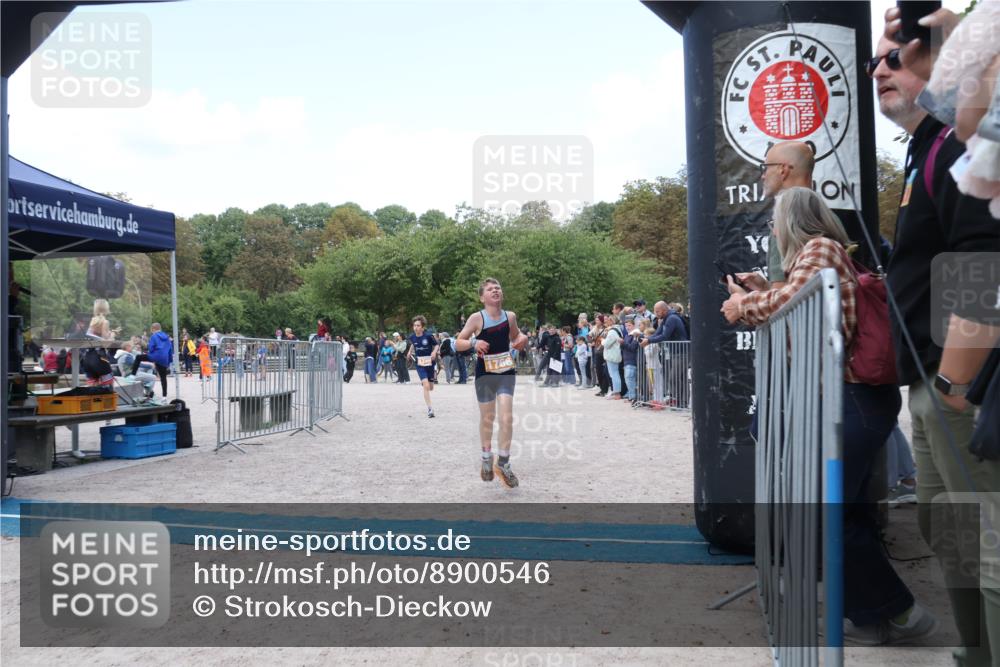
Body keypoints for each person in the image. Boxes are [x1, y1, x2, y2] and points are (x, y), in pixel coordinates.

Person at [721, 186, 936, 645]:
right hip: (853, 397)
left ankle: (897, 612)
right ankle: (873, 616)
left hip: (852, 397)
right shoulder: (821, 254)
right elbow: (803, 303)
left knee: (824, 508)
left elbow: (792, 307)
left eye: (776, 221)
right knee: (842, 511)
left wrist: (744, 305)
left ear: (793, 221)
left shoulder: (819, 249)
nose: (773, 230)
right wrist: (767, 290)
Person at [872, 25, 1000, 659]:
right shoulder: (928, 145)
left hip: (958, 385)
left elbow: (984, 257)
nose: (879, 70)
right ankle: (973, 652)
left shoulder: (962, 141)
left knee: (989, 547)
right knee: (946, 529)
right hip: (930, 382)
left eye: (895, 56)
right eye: (874, 62)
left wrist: (953, 383)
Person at [455, 278, 529, 488]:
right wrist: (473, 342)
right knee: (488, 417)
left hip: (506, 370)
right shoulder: (476, 318)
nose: (495, 290)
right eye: (490, 289)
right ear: (482, 297)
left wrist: (522, 340)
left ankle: (503, 463)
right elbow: (458, 343)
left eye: (498, 287)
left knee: (506, 417)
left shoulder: (510, 316)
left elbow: (517, 337)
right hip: (485, 372)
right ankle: (486, 458)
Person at [758, 141, 816, 287]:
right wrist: (763, 287)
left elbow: (782, 302)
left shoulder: (786, 219)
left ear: (783, 170)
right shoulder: (827, 217)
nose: (763, 176)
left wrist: (742, 302)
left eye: (765, 168)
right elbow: (795, 292)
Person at [407, 316, 438, 418]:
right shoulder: (412, 337)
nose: (416, 327)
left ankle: (430, 379)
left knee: (431, 387)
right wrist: (409, 351)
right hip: (420, 364)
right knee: (426, 385)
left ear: (423, 327)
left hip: (430, 363)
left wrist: (434, 352)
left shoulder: (428, 336)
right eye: (414, 325)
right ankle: (430, 409)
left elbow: (437, 345)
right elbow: (413, 344)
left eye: (418, 325)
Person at [602, 315, 623, 399]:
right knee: (614, 373)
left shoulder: (612, 331)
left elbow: (607, 344)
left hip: (612, 355)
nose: (606, 322)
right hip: (615, 354)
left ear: (612, 321)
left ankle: (617, 393)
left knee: (614, 374)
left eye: (608, 321)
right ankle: (616, 392)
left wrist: (602, 341)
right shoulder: (618, 329)